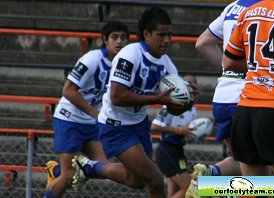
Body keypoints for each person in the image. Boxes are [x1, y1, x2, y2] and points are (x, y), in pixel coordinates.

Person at [71, 6, 199, 198]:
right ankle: (89, 167)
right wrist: (157, 98)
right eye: (161, 35)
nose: (167, 40)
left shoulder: (166, 64)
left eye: (170, 35)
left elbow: (174, 110)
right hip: (116, 127)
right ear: (146, 34)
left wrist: (188, 100)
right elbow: (117, 97)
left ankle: (89, 167)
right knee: (156, 180)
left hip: (139, 125)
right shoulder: (130, 55)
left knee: (137, 181)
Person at [44, 21, 129, 198]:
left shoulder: (123, 63)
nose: (119, 42)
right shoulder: (92, 59)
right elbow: (67, 90)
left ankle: (57, 170)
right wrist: (95, 114)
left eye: (123, 37)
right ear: (105, 40)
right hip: (70, 119)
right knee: (69, 177)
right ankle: (60, 172)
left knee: (105, 166)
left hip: (91, 122)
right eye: (115, 37)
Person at [185, 1, 261, 197]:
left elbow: (202, 42)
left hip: (223, 97)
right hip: (251, 98)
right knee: (266, 175)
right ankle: (226, 191)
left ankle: (210, 176)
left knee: (241, 161)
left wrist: (229, 70)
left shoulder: (232, 6)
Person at [223, 0, 274, 185]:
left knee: (254, 188)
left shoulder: (250, 11)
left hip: (246, 109)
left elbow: (229, 62)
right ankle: (213, 185)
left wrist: (263, 70)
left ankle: (211, 183)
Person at [151, 75, 198, 198]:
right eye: (187, 84)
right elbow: (154, 127)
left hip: (178, 151)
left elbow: (185, 131)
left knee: (174, 191)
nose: (190, 87)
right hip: (167, 151)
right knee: (190, 189)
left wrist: (191, 134)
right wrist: (178, 130)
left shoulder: (193, 110)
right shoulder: (170, 105)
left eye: (193, 85)